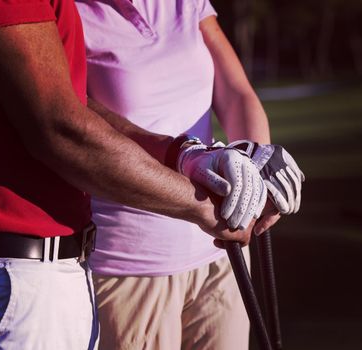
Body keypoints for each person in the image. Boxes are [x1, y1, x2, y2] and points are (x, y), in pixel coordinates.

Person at [0, 0, 270, 349]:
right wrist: (206, 205)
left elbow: (71, 104)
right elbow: (60, 127)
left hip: (45, 275)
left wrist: (186, 155)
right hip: (11, 281)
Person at [74, 1, 298, 349]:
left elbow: (236, 93)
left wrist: (257, 166)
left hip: (220, 254)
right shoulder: (69, 11)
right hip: (130, 267)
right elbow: (77, 121)